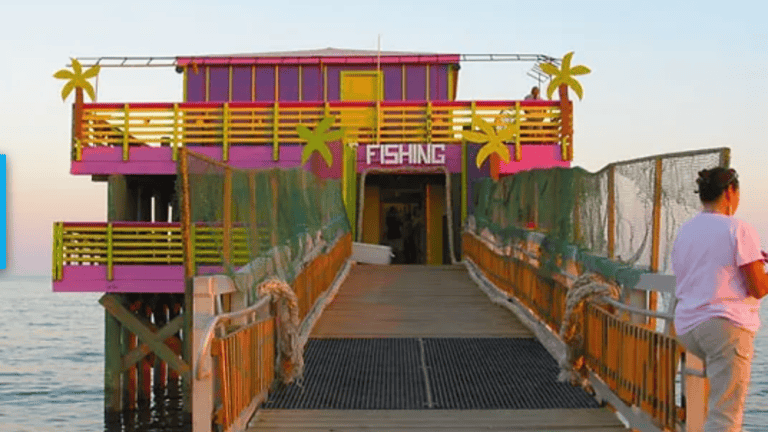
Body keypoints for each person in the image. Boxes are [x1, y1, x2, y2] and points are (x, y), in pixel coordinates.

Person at [672, 167, 768, 432]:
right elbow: (758, 287)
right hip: (725, 325)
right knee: (725, 415)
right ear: (729, 192)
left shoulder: (686, 231)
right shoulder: (739, 228)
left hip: (689, 326)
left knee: (720, 406)